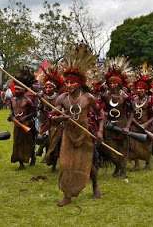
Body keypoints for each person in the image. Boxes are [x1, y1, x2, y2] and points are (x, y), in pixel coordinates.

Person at [53, 43, 103, 207]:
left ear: (79, 84)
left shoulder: (88, 97)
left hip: (84, 133)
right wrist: (61, 117)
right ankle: (67, 194)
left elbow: (101, 113)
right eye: (66, 83)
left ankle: (95, 184)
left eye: (71, 83)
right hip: (68, 134)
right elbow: (53, 116)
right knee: (66, 164)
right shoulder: (61, 98)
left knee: (86, 163)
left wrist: (100, 131)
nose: (68, 86)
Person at [100, 57, 133, 178]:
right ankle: (118, 166)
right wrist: (103, 122)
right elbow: (102, 110)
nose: (113, 85)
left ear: (119, 84)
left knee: (123, 149)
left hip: (122, 124)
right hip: (109, 125)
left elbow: (132, 112)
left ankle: (123, 171)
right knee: (111, 150)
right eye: (111, 83)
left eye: (115, 83)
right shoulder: (105, 96)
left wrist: (128, 127)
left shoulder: (125, 96)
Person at [37, 65, 64, 173]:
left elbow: (61, 110)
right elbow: (41, 110)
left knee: (56, 145)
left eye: (50, 87)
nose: (48, 89)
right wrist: (40, 103)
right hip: (46, 123)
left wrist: (56, 117)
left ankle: (54, 165)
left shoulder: (59, 98)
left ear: (54, 88)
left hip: (57, 124)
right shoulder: (43, 97)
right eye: (46, 87)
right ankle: (47, 158)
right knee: (47, 143)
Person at [9, 67, 37, 170]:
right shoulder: (12, 100)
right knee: (17, 142)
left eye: (18, 89)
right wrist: (12, 117)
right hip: (17, 125)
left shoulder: (28, 100)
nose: (15, 91)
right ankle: (20, 163)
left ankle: (32, 157)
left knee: (29, 142)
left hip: (27, 124)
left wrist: (24, 117)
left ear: (22, 90)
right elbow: (12, 112)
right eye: (15, 89)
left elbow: (34, 112)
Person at [128, 72, 153, 171]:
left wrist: (146, 124)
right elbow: (130, 114)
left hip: (147, 125)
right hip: (135, 126)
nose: (139, 90)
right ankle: (136, 164)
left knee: (146, 145)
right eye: (137, 89)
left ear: (145, 90)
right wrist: (136, 124)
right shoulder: (133, 100)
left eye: (141, 89)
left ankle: (147, 162)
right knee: (134, 145)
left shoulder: (150, 99)